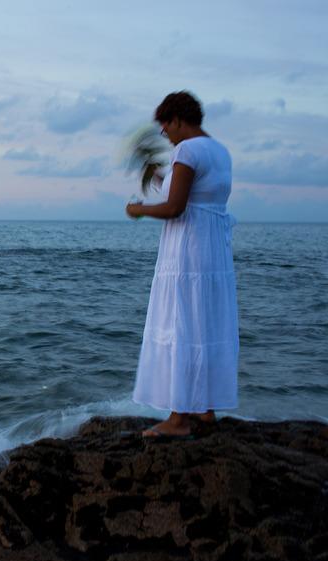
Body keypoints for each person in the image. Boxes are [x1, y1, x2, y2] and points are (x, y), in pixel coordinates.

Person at [125, 91, 239, 438]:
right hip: (212, 251)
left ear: (178, 119)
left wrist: (139, 208)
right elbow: (196, 193)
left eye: (165, 126)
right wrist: (161, 176)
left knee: (181, 324)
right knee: (206, 323)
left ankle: (178, 419)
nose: (165, 134)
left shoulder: (186, 151)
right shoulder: (219, 151)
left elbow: (176, 208)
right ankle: (206, 409)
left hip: (186, 252)